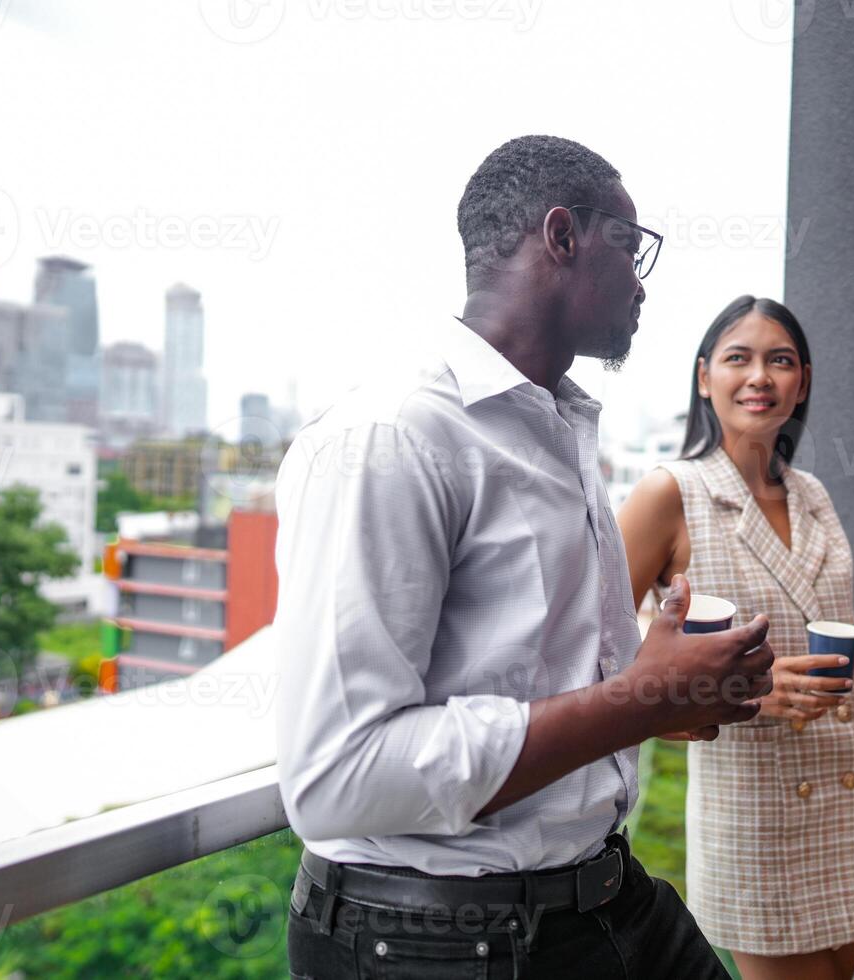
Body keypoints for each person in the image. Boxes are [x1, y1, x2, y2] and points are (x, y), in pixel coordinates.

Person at [273, 135, 778, 979]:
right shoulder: (393, 438)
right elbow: (337, 776)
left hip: (600, 898)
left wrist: (661, 697)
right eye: (631, 243)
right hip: (433, 946)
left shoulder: (557, 427)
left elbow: (543, 678)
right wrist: (641, 698)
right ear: (562, 236)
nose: (643, 281)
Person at [619, 295, 854, 980]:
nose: (760, 376)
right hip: (757, 811)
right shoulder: (671, 493)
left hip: (851, 793)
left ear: (802, 382)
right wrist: (732, 683)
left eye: (779, 361)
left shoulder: (811, 491)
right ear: (704, 377)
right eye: (738, 358)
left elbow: (821, 621)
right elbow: (601, 641)